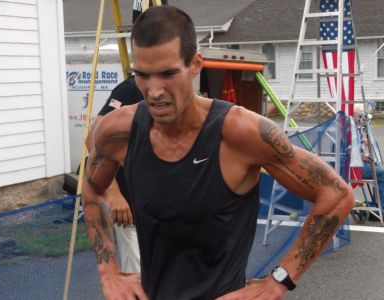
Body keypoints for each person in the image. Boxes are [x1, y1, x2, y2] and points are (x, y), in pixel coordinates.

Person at [82, 5, 354, 300]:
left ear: (196, 64)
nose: (154, 91)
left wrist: (278, 281)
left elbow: (337, 195)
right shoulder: (119, 131)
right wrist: (108, 271)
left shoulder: (241, 133)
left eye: (168, 73)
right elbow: (93, 189)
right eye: (143, 75)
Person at [85, 76, 143, 272]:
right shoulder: (129, 90)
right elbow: (93, 139)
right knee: (137, 276)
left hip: (161, 209)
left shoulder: (169, 92)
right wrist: (113, 192)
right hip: (131, 207)